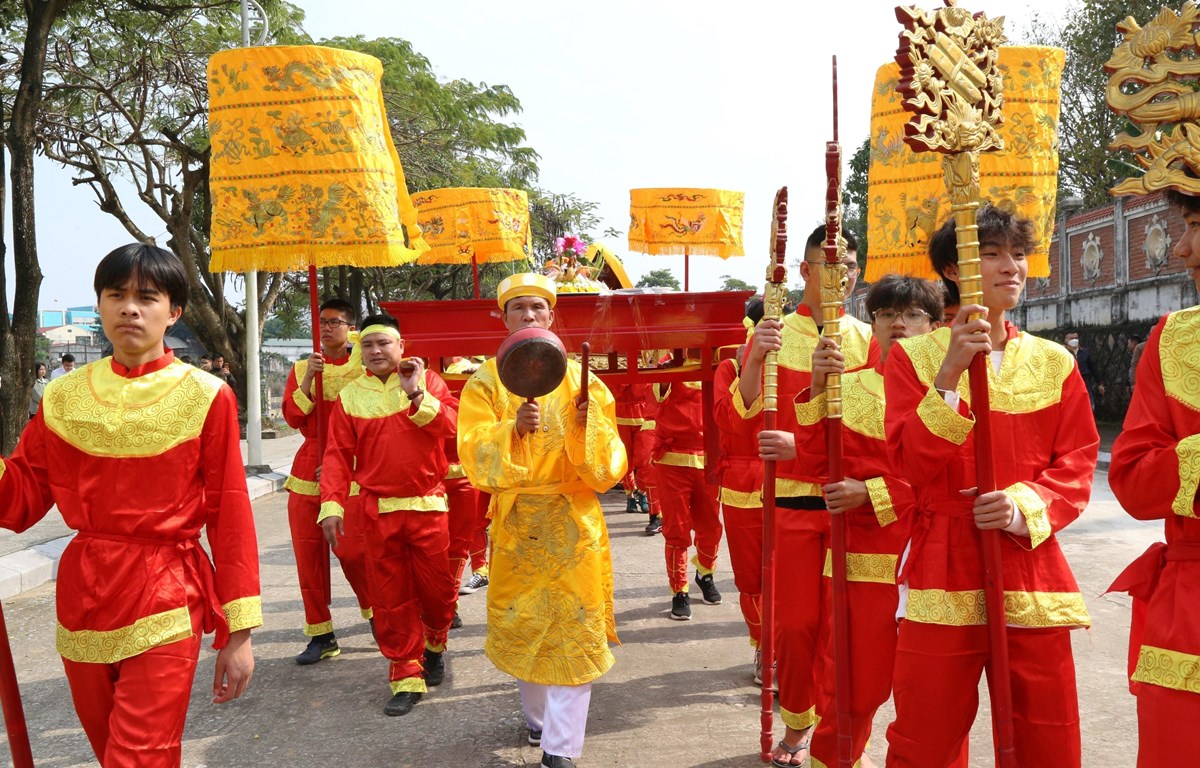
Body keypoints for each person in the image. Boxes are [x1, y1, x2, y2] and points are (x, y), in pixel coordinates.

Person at [0, 243, 260, 766]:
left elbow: (229, 513)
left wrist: (239, 631)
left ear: (174, 311)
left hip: (166, 589)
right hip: (84, 592)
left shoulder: (207, 395)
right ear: (99, 306)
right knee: (110, 750)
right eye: (115, 295)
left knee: (138, 756)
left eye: (147, 297)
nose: (130, 309)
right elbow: (21, 499)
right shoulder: (63, 396)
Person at [883, 206, 1097, 766]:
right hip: (942, 562)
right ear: (955, 271)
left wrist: (1024, 505)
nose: (1012, 267)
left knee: (1045, 732)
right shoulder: (913, 357)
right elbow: (907, 464)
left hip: (1028, 562)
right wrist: (950, 373)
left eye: (1018, 254)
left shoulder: (1055, 362)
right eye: (994, 254)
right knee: (926, 735)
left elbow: (1077, 463)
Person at [458, 273, 626, 768]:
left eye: (538, 308)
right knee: (526, 628)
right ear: (503, 318)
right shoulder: (484, 382)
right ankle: (538, 723)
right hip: (517, 527)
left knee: (574, 629)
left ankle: (561, 748)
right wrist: (511, 429)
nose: (529, 316)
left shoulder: (582, 379)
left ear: (552, 316)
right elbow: (471, 452)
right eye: (518, 309)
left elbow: (609, 463)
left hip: (574, 523)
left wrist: (583, 424)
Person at [734, 225, 877, 765]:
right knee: (795, 628)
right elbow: (742, 414)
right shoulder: (774, 335)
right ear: (804, 272)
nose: (840, 276)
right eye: (828, 265)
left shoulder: (870, 339)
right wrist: (753, 359)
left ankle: (836, 738)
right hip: (794, 503)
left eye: (848, 266)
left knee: (846, 631)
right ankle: (797, 722)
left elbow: (880, 426)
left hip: (850, 506)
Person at [796, 275, 941, 768]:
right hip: (861, 565)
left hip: (935, 564)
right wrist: (817, 386)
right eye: (886, 314)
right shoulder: (848, 386)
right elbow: (813, 463)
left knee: (931, 706)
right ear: (872, 323)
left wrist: (873, 490)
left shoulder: (956, 391)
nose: (899, 323)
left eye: (913, 314)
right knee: (848, 693)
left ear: (935, 325)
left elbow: (949, 480)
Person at [318, 313, 458, 717]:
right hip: (378, 511)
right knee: (391, 600)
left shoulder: (428, 382)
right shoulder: (350, 395)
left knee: (438, 594)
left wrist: (416, 395)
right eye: (368, 345)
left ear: (401, 347)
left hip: (428, 506)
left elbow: (450, 428)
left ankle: (434, 644)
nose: (376, 352)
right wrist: (331, 504)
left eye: (384, 344)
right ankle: (405, 673)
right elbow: (337, 456)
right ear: (359, 350)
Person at [1107, 187, 1200, 766]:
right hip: (1191, 605)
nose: (1184, 249)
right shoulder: (1172, 339)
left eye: (1194, 226)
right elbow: (1135, 483)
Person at [281, 298, 373, 664]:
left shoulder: (364, 364)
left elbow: (371, 417)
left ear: (352, 327)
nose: (329, 328)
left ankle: (376, 612)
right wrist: (307, 378)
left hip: (351, 462)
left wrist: (345, 464)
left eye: (337, 321)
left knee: (353, 552)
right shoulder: (304, 366)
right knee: (308, 557)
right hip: (309, 464)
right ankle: (321, 634)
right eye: (323, 322)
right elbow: (292, 416)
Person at [713, 299, 767, 681]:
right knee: (751, 576)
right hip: (743, 482)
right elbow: (731, 420)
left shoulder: (806, 360)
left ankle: (795, 653)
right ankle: (765, 646)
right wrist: (754, 362)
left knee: (797, 574)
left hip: (796, 479)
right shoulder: (730, 366)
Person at [651, 354, 725, 620]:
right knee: (676, 528)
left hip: (709, 458)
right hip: (673, 460)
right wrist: (666, 373)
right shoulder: (669, 361)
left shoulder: (720, 361)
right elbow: (657, 397)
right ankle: (679, 589)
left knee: (710, 526)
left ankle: (705, 572)